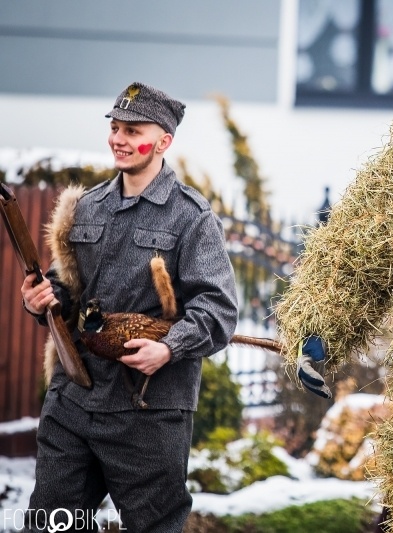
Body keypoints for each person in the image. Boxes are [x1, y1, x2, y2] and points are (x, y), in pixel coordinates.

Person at [20, 82, 238, 532]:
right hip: (74, 399)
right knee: (49, 524)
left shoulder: (191, 216)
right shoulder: (87, 207)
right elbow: (66, 287)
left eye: (132, 130)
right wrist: (41, 298)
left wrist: (170, 347)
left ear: (163, 142)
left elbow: (218, 309)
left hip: (148, 410)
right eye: (115, 127)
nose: (118, 138)